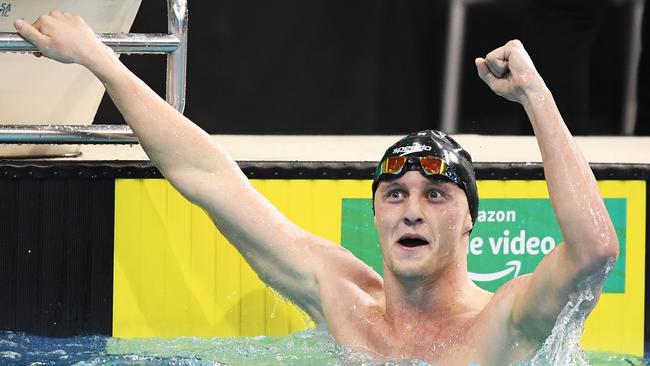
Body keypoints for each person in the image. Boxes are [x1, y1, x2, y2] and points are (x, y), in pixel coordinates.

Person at [14, 12, 619, 365]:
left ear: (469, 220)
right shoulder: (344, 300)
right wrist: (101, 59)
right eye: (395, 194)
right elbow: (208, 178)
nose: (412, 209)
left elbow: (594, 250)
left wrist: (535, 97)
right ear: (377, 213)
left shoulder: (504, 323)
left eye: (436, 195)